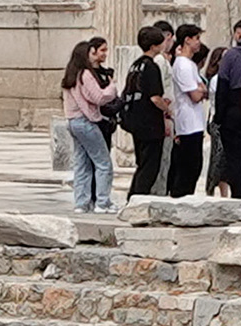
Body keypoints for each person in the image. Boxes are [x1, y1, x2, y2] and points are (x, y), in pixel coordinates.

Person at [56, 36, 116, 212]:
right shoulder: (85, 74)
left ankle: (82, 203)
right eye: (91, 52)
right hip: (86, 121)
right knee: (103, 163)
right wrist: (112, 87)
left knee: (82, 164)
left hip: (72, 121)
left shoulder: (71, 75)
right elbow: (99, 97)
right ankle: (103, 202)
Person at [208, 19, 241, 198]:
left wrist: (219, 118)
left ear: (238, 33)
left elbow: (222, 88)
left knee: (235, 160)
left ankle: (238, 197)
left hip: (234, 112)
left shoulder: (230, 56)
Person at [119, 24, 173, 201]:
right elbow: (155, 98)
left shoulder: (135, 65)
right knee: (150, 165)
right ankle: (138, 199)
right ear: (153, 46)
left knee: (142, 163)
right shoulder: (151, 67)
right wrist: (168, 110)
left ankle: (133, 197)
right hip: (150, 123)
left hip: (136, 122)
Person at [163, 26, 211, 195]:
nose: (199, 42)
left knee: (194, 166)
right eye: (196, 38)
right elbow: (196, 95)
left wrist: (202, 89)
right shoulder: (183, 65)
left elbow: (202, 89)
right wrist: (202, 90)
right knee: (188, 167)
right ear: (187, 40)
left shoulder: (190, 65)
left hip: (194, 122)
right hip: (187, 122)